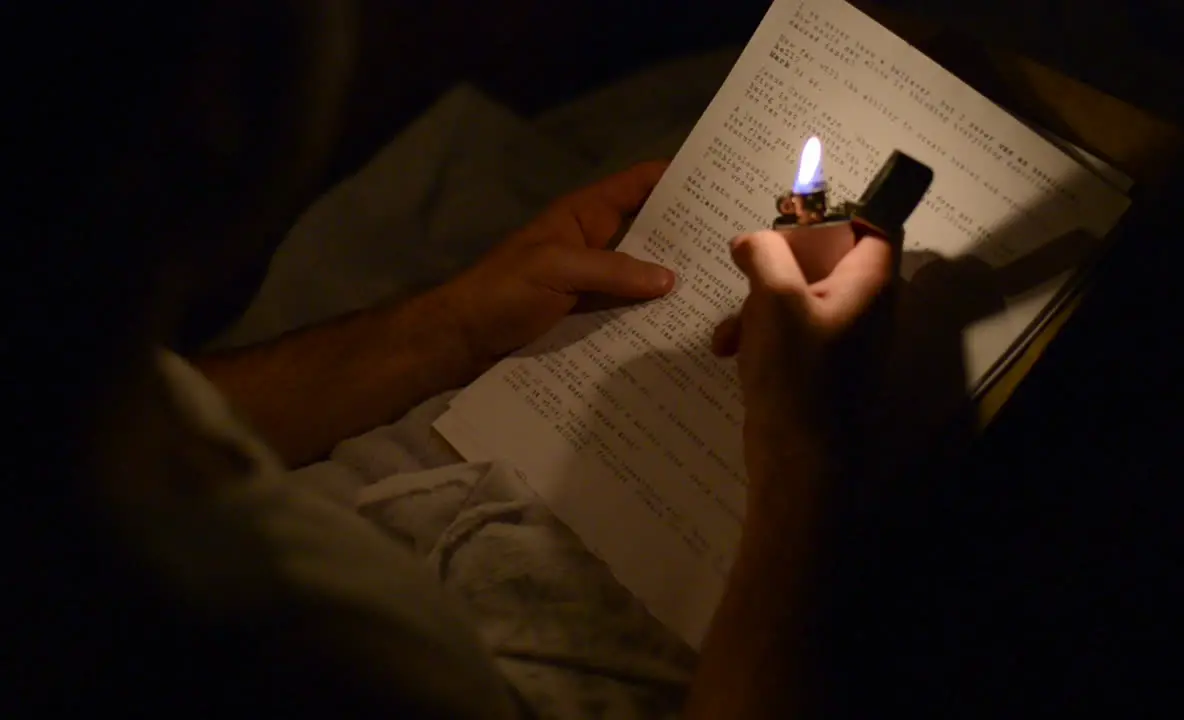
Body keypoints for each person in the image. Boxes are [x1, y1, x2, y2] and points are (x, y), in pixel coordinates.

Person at [8, 3, 902, 717]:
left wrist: (452, 327)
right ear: (224, 110)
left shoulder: (66, 368)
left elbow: (127, 392)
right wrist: (800, 463)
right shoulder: (256, 637)